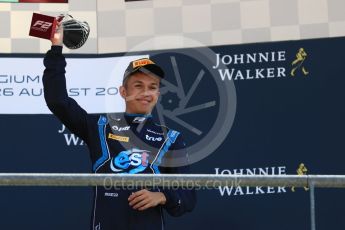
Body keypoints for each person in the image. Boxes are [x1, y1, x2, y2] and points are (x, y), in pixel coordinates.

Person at [42, 22, 196, 230]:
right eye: (138, 85)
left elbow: (188, 198)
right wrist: (56, 48)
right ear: (123, 92)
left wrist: (161, 196)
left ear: (158, 95)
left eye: (152, 87)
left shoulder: (171, 138)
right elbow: (57, 100)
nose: (145, 92)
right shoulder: (100, 126)